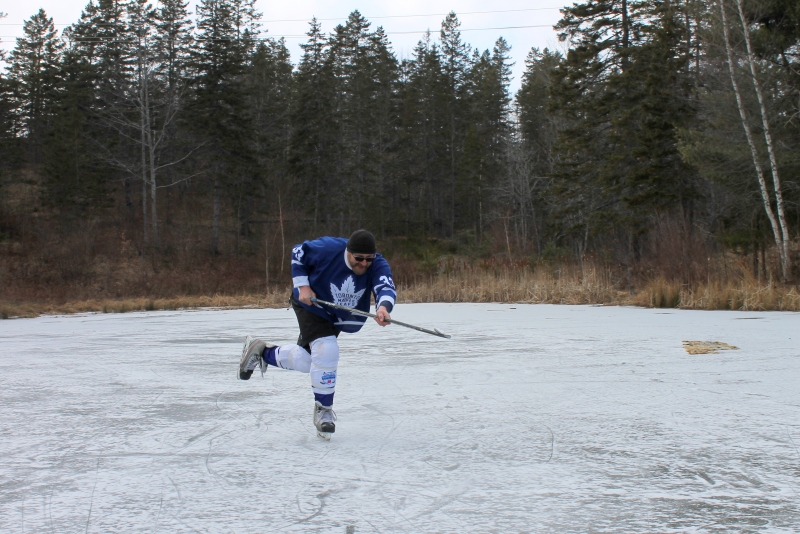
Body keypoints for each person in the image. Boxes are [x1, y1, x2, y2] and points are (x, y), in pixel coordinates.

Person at [237, 229, 396, 439]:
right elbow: (298, 253)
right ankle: (324, 411)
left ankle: (261, 351)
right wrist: (303, 287)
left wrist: (383, 308)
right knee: (326, 349)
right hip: (311, 305)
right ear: (348, 252)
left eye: (369, 259)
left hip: (335, 313)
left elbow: (385, 286)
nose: (364, 264)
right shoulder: (327, 249)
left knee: (307, 362)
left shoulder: (377, 263)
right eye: (359, 258)